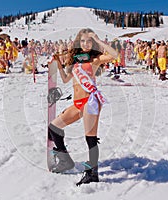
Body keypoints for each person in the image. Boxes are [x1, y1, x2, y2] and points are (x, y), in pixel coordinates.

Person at [48, 28, 118, 186]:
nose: (86, 44)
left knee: (90, 138)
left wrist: (98, 40)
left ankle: (92, 173)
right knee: (54, 127)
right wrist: (58, 64)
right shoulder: (76, 61)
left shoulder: (95, 59)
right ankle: (65, 160)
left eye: (89, 41)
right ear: (79, 43)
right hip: (77, 103)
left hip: (90, 101)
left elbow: (114, 55)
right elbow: (66, 79)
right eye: (83, 41)